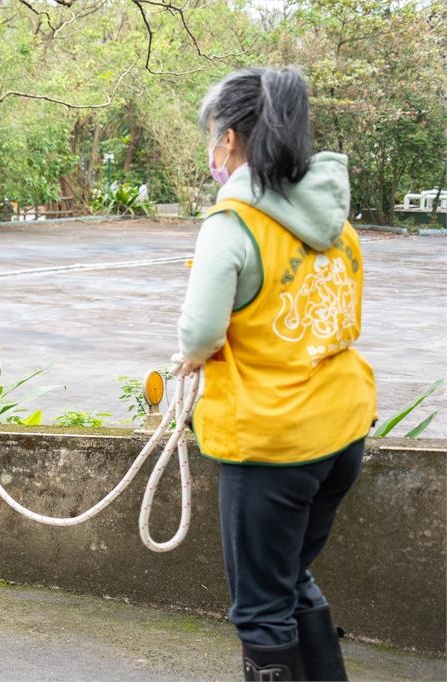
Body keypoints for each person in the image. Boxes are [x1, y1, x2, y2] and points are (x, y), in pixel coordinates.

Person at [176, 67, 377, 681]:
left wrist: (191, 355)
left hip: (273, 445)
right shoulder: (336, 224)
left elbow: (199, 334)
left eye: (213, 135)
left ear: (230, 139)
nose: (212, 147)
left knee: (262, 608)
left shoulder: (232, 224)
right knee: (290, 579)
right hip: (341, 432)